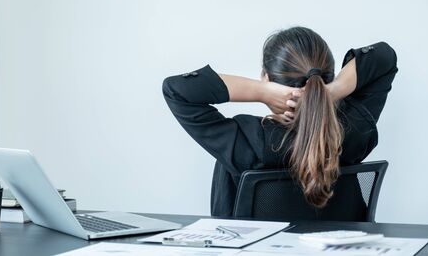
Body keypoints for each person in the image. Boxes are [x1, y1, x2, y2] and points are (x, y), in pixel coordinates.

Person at [163, 26, 398, 218]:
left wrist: (261, 91)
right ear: (327, 78)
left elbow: (177, 89)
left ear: (267, 77)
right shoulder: (352, 132)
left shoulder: (249, 141)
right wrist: (333, 91)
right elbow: (384, 56)